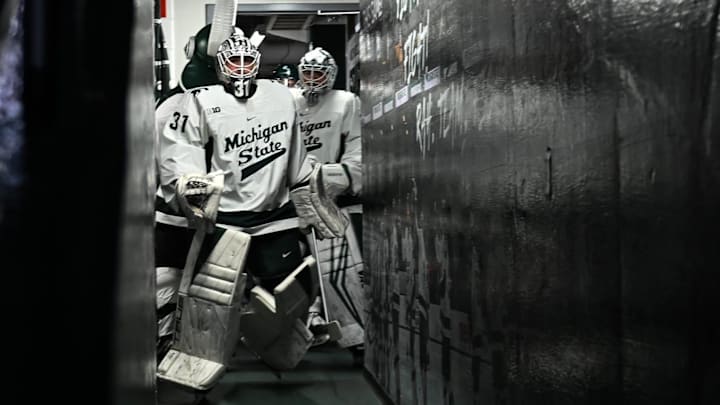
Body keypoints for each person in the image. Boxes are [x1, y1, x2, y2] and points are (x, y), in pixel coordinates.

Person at [155, 30, 346, 385]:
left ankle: (274, 338)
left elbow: (295, 155)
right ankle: (192, 358)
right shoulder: (192, 101)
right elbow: (181, 157)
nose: (242, 68)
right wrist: (189, 185)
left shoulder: (280, 96)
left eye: (247, 60)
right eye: (235, 60)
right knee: (208, 301)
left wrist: (308, 189)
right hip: (224, 219)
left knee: (295, 287)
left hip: (273, 215)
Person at [291, 47, 365, 352]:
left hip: (328, 197)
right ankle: (311, 318)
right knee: (298, 266)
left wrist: (338, 178)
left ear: (330, 74)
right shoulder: (289, 102)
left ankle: (354, 336)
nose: (311, 79)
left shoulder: (346, 102)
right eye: (306, 72)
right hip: (291, 195)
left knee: (339, 266)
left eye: (318, 73)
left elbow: (357, 148)